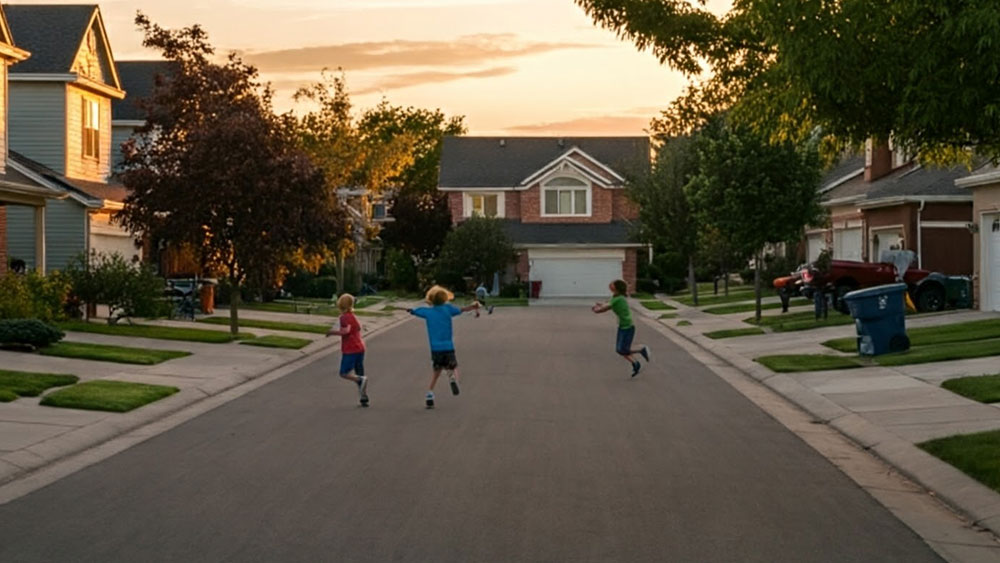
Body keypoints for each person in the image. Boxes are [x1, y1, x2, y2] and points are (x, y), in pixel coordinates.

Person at [407, 285, 479, 408]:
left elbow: (417, 311)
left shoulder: (428, 312)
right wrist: (472, 307)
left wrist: (411, 311)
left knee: (436, 371)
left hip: (435, 348)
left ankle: (430, 393)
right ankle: (452, 377)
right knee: (453, 365)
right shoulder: (448, 309)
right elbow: (461, 310)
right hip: (448, 345)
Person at [592, 279, 650, 377]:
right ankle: (636, 363)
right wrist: (600, 306)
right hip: (623, 326)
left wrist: (597, 310)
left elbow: (605, 308)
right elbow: (607, 305)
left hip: (628, 326)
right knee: (620, 350)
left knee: (622, 349)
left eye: (612, 284)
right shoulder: (615, 297)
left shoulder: (619, 298)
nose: (610, 285)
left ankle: (641, 349)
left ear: (617, 288)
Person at [326, 293, 369, 407]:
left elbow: (346, 331)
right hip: (360, 348)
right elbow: (358, 328)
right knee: (359, 371)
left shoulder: (344, 317)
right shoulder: (353, 316)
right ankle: (363, 396)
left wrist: (332, 332)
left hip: (350, 349)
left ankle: (360, 380)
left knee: (344, 373)